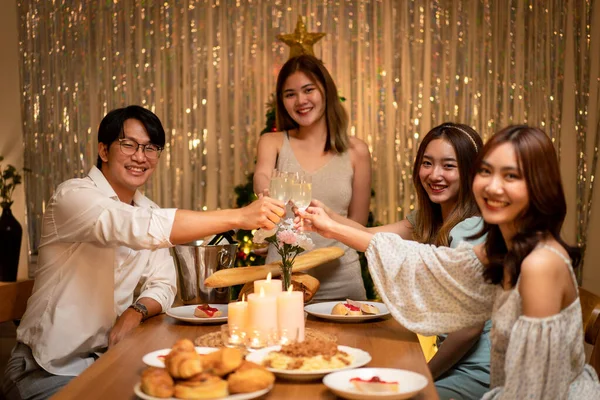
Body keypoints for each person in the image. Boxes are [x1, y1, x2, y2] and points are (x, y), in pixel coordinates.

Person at [1, 105, 285, 400]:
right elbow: (135, 226)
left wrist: (135, 312)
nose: (141, 156)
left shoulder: (148, 208)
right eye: (129, 144)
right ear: (104, 150)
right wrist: (239, 217)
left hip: (108, 359)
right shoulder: (73, 197)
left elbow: (163, 283)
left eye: (151, 148)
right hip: (46, 369)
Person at [300, 125, 600, 398]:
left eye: (511, 176)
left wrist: (424, 376)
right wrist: (329, 223)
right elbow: (423, 259)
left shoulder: (539, 265)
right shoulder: (502, 247)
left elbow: (536, 389)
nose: (493, 187)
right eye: (487, 172)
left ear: (539, 186)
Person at [311, 122, 490, 399]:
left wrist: (423, 375)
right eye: (427, 163)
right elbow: (368, 236)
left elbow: (468, 330)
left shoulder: (473, 229)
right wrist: (327, 215)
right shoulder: (428, 220)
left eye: (449, 166)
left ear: (471, 172)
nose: (434, 175)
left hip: (479, 370)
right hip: (456, 363)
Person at [253, 54, 372, 301]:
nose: (301, 101)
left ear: (325, 91)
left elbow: (357, 226)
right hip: (283, 281)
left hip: (343, 281)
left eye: (308, 90)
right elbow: (262, 176)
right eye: (290, 94)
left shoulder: (357, 151)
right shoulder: (272, 142)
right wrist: (266, 193)